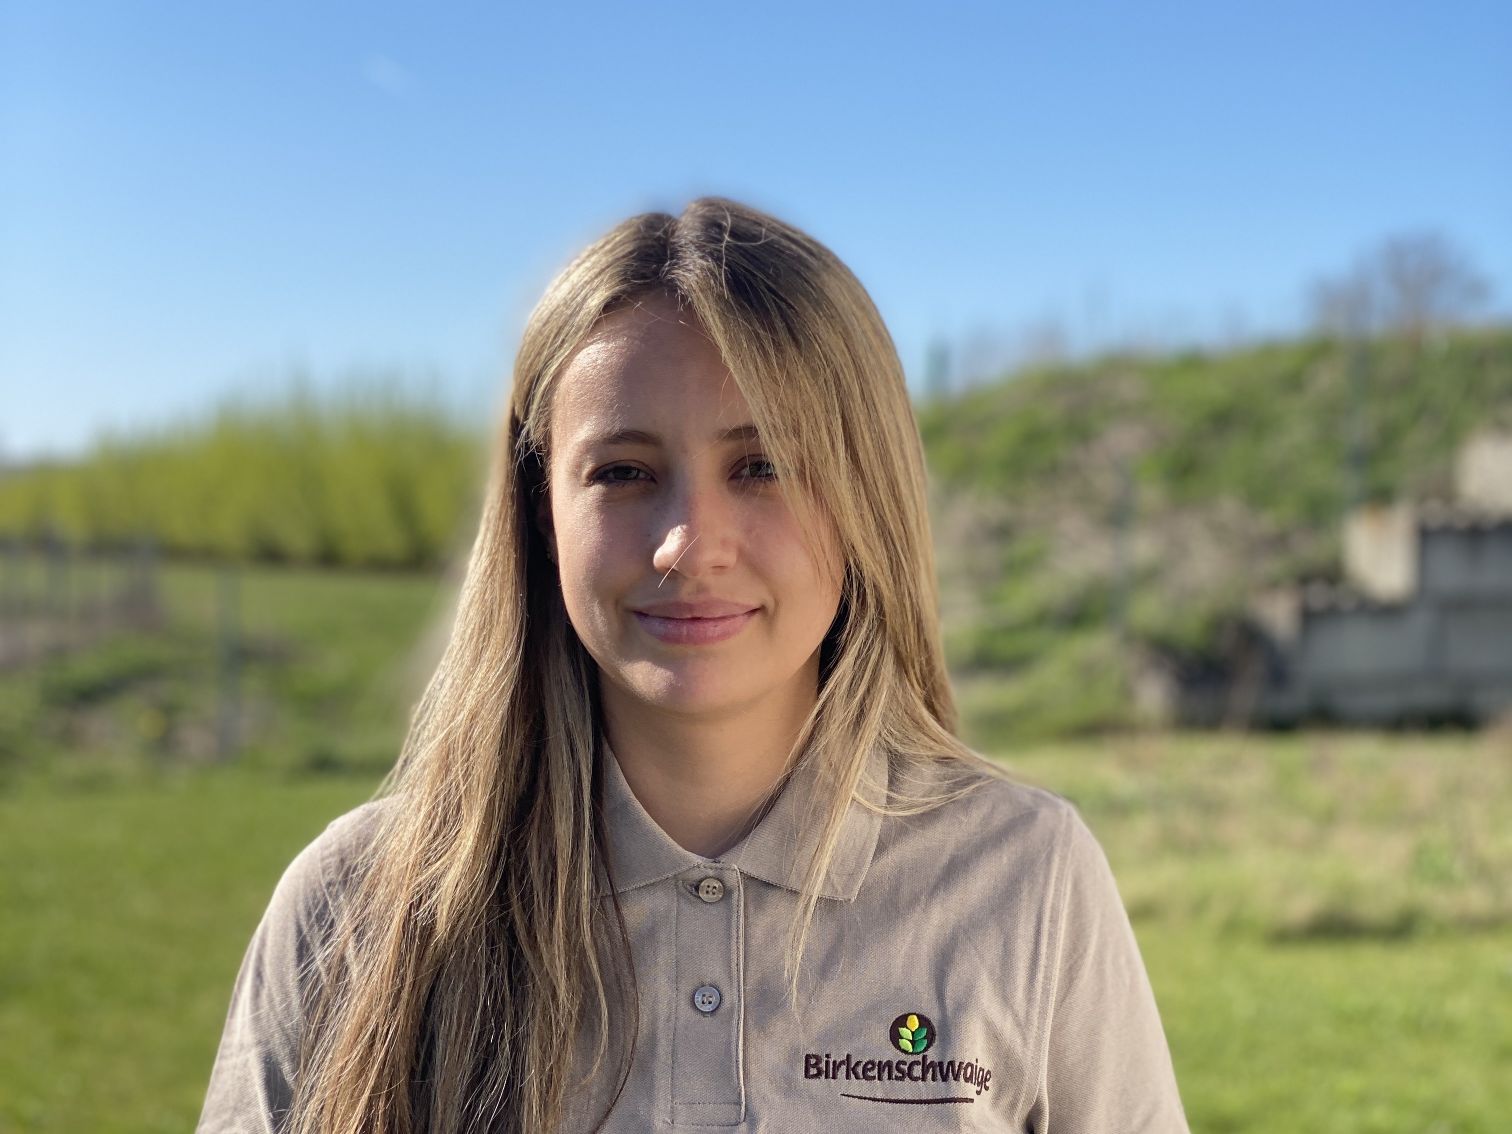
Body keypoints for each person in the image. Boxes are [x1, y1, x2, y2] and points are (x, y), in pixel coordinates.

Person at [196, 198, 1189, 1134]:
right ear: (543, 513)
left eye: (764, 466)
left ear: (868, 496)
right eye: (624, 473)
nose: (689, 544)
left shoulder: (1028, 877)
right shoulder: (355, 907)